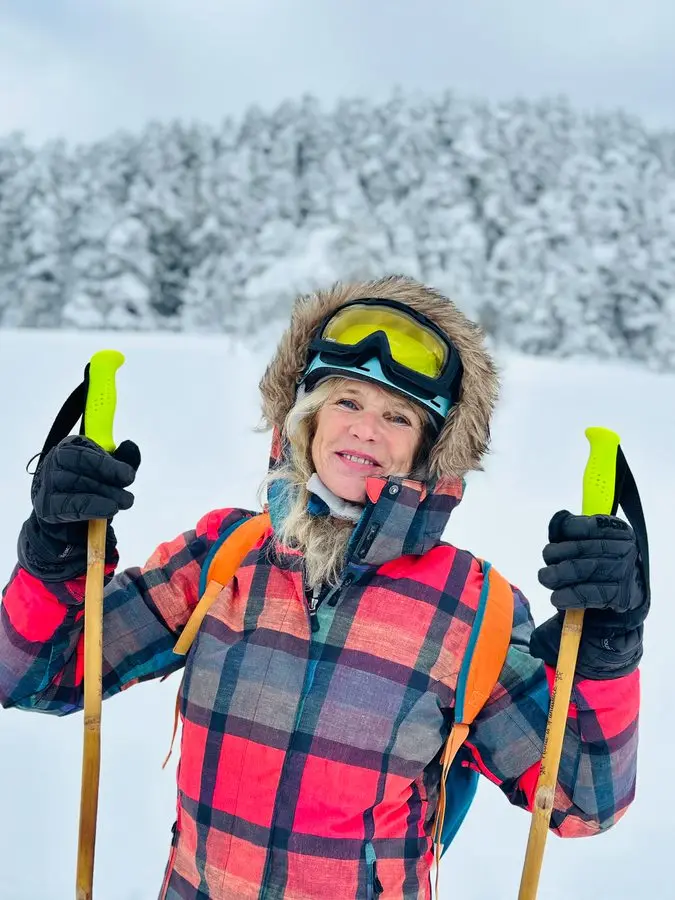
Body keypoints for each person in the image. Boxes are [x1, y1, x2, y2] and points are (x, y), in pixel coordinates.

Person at [0, 276, 647, 900]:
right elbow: (35, 672)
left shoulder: (471, 608)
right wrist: (55, 551)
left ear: (430, 450)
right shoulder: (224, 556)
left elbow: (582, 799)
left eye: (398, 415)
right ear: (304, 416)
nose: (365, 429)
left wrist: (608, 650)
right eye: (346, 400)